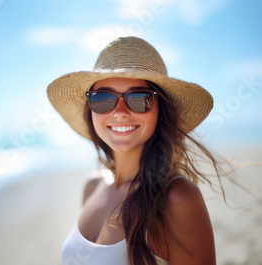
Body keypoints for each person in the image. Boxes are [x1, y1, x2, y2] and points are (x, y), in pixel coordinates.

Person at [47, 36, 223, 265]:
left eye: (139, 98)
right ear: (90, 109)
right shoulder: (92, 187)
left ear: (161, 108)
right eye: (103, 98)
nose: (119, 112)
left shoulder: (177, 198)